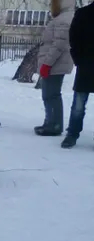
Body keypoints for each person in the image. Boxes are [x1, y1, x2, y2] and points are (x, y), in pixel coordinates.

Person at [34, 0, 75, 136]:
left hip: (55, 64)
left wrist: (47, 64)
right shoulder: (64, 17)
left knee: (51, 95)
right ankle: (50, 122)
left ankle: (54, 125)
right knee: (51, 95)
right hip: (55, 63)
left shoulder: (64, 19)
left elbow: (59, 45)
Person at [60, 0, 94, 148]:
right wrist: (79, 60)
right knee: (78, 105)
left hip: (85, 65)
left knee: (78, 104)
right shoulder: (84, 13)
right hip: (86, 66)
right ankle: (72, 134)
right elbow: (74, 37)